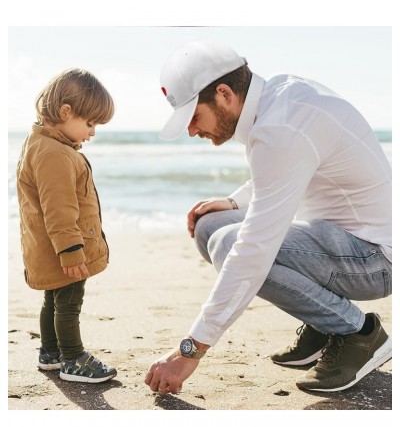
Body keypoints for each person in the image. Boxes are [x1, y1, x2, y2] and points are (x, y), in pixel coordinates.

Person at [144, 40, 392, 395]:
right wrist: (233, 201)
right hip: (339, 241)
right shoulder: (279, 99)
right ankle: (321, 323)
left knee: (232, 244)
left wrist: (191, 349)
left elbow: (254, 251)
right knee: (210, 225)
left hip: (375, 259)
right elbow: (290, 166)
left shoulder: (281, 128)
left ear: (224, 94)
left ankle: (357, 333)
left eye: (194, 117)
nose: (192, 131)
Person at [16, 68, 117, 383]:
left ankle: (51, 353)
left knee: (54, 298)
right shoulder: (54, 154)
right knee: (69, 300)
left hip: (46, 247)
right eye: (89, 123)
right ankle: (72, 358)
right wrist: (73, 251)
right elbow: (59, 209)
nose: (92, 132)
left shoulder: (42, 145)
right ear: (65, 112)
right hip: (63, 248)